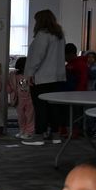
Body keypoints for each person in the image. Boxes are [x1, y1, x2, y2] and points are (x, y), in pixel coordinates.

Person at [21, 10, 66, 146]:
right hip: (57, 78)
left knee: (40, 108)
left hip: (42, 78)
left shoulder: (42, 35)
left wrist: (29, 74)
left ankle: (39, 136)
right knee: (54, 108)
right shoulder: (59, 35)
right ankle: (55, 135)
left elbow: (37, 57)